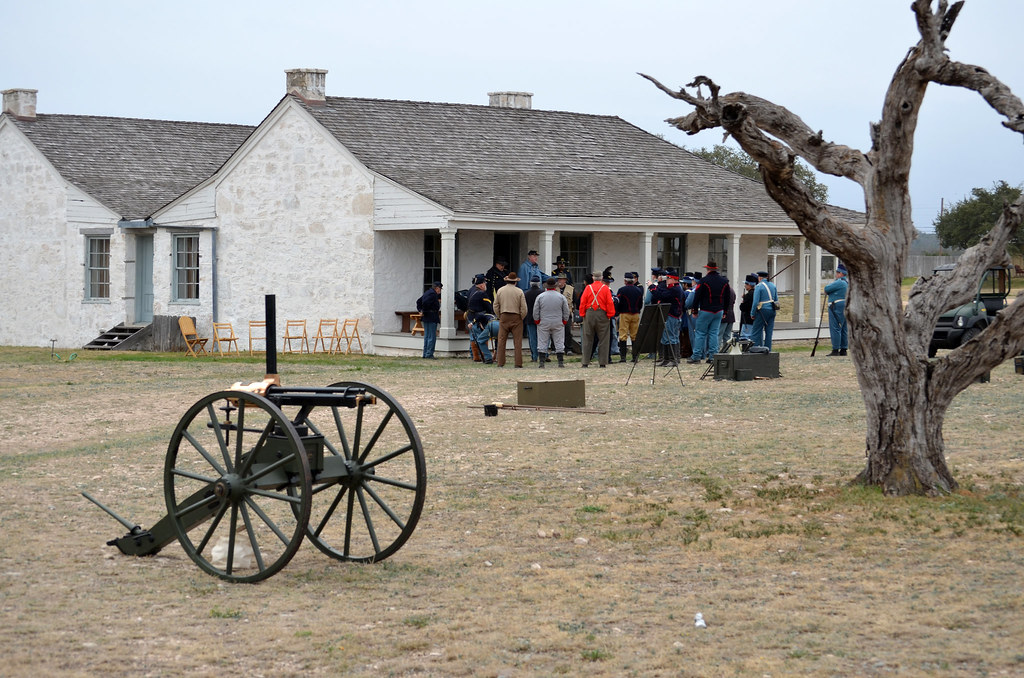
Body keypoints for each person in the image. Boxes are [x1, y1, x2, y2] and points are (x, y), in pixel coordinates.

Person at [687, 261, 732, 364]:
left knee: (700, 333)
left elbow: (697, 296)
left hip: (706, 310)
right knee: (714, 333)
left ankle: (697, 356)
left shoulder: (703, 281)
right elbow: (727, 297)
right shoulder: (724, 282)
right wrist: (725, 310)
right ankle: (712, 356)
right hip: (719, 311)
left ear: (708, 269)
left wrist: (694, 310)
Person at [578, 269, 616, 367]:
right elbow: (609, 303)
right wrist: (610, 315)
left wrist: (582, 314)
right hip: (602, 313)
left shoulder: (588, 288)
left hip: (589, 313)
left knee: (587, 338)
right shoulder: (605, 288)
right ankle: (602, 362)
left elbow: (583, 302)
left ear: (593, 278)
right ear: (602, 278)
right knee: (604, 339)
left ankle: (585, 362)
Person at [533, 276, 571, 368]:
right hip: (558, 321)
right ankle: (560, 362)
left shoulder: (540, 297)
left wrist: (537, 320)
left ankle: (542, 362)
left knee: (542, 341)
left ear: (546, 286)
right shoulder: (561, 297)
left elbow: (536, 311)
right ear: (555, 286)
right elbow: (566, 311)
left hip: (544, 321)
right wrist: (564, 320)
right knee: (559, 341)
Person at [493, 271, 528, 367]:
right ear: (515, 282)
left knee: (501, 341)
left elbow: (495, 305)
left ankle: (500, 362)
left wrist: (500, 315)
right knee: (517, 342)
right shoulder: (519, 291)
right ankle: (518, 363)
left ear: (507, 281)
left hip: (504, 316)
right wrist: (521, 317)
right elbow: (524, 308)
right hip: (516, 317)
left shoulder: (500, 290)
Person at [652, 268, 684, 366]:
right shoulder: (674, 288)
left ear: (674, 279)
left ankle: (673, 359)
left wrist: (652, 287)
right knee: (667, 337)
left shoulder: (674, 288)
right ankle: (667, 359)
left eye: (669, 278)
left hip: (672, 314)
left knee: (671, 337)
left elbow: (661, 295)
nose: (667, 280)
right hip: (672, 314)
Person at [466, 274, 496, 364]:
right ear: (482, 284)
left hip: (471, 315)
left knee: (473, 337)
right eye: (485, 283)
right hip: (479, 318)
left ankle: (474, 355)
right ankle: (482, 356)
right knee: (481, 337)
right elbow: (488, 306)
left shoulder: (471, 290)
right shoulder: (482, 293)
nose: (485, 285)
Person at [616, 271, 644, 363]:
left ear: (625, 281)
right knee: (634, 335)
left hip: (624, 313)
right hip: (635, 314)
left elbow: (618, 302)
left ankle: (623, 357)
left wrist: (617, 312)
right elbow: (640, 303)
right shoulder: (638, 290)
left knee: (623, 335)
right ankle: (635, 357)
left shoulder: (622, 290)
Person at [750, 270, 779, 350]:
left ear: (759, 278)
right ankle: (768, 349)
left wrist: (752, 313)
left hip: (762, 311)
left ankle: (754, 349)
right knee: (769, 332)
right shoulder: (773, 286)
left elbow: (755, 302)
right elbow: (776, 300)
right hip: (772, 310)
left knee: (756, 331)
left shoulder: (759, 286)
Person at [825, 262, 849, 356]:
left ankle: (835, 349)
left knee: (835, 327)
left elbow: (827, 289)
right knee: (844, 328)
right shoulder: (847, 283)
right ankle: (843, 348)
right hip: (845, 305)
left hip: (835, 306)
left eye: (837, 272)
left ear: (841, 273)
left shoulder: (839, 282)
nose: (836, 274)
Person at [415, 281, 442, 359]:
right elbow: (425, 303)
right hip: (431, 316)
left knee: (427, 336)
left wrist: (421, 310)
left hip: (427, 316)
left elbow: (418, 301)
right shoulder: (433, 294)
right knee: (431, 336)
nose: (440, 291)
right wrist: (424, 310)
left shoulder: (427, 292)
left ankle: (425, 353)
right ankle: (429, 354)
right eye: (440, 289)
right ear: (437, 288)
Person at [557, 273, 580, 355]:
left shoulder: (571, 289)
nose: (559, 281)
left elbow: (575, 302)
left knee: (567, 332)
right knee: (556, 332)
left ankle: (568, 348)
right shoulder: (555, 289)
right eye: (558, 279)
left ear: (565, 280)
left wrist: (574, 314)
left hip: (568, 313)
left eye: (561, 279)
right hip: (557, 313)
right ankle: (555, 348)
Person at [524, 274, 544, 362]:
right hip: (541, 319)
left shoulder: (526, 293)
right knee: (542, 338)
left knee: (532, 338)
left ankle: (534, 356)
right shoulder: (543, 293)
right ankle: (544, 355)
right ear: (538, 283)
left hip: (530, 318)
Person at [738, 274, 758, 340]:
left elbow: (743, 308)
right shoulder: (756, 293)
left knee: (745, 337)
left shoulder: (749, 295)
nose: (745, 286)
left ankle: (745, 349)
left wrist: (743, 302)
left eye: (746, 284)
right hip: (754, 319)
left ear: (749, 285)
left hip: (747, 319)